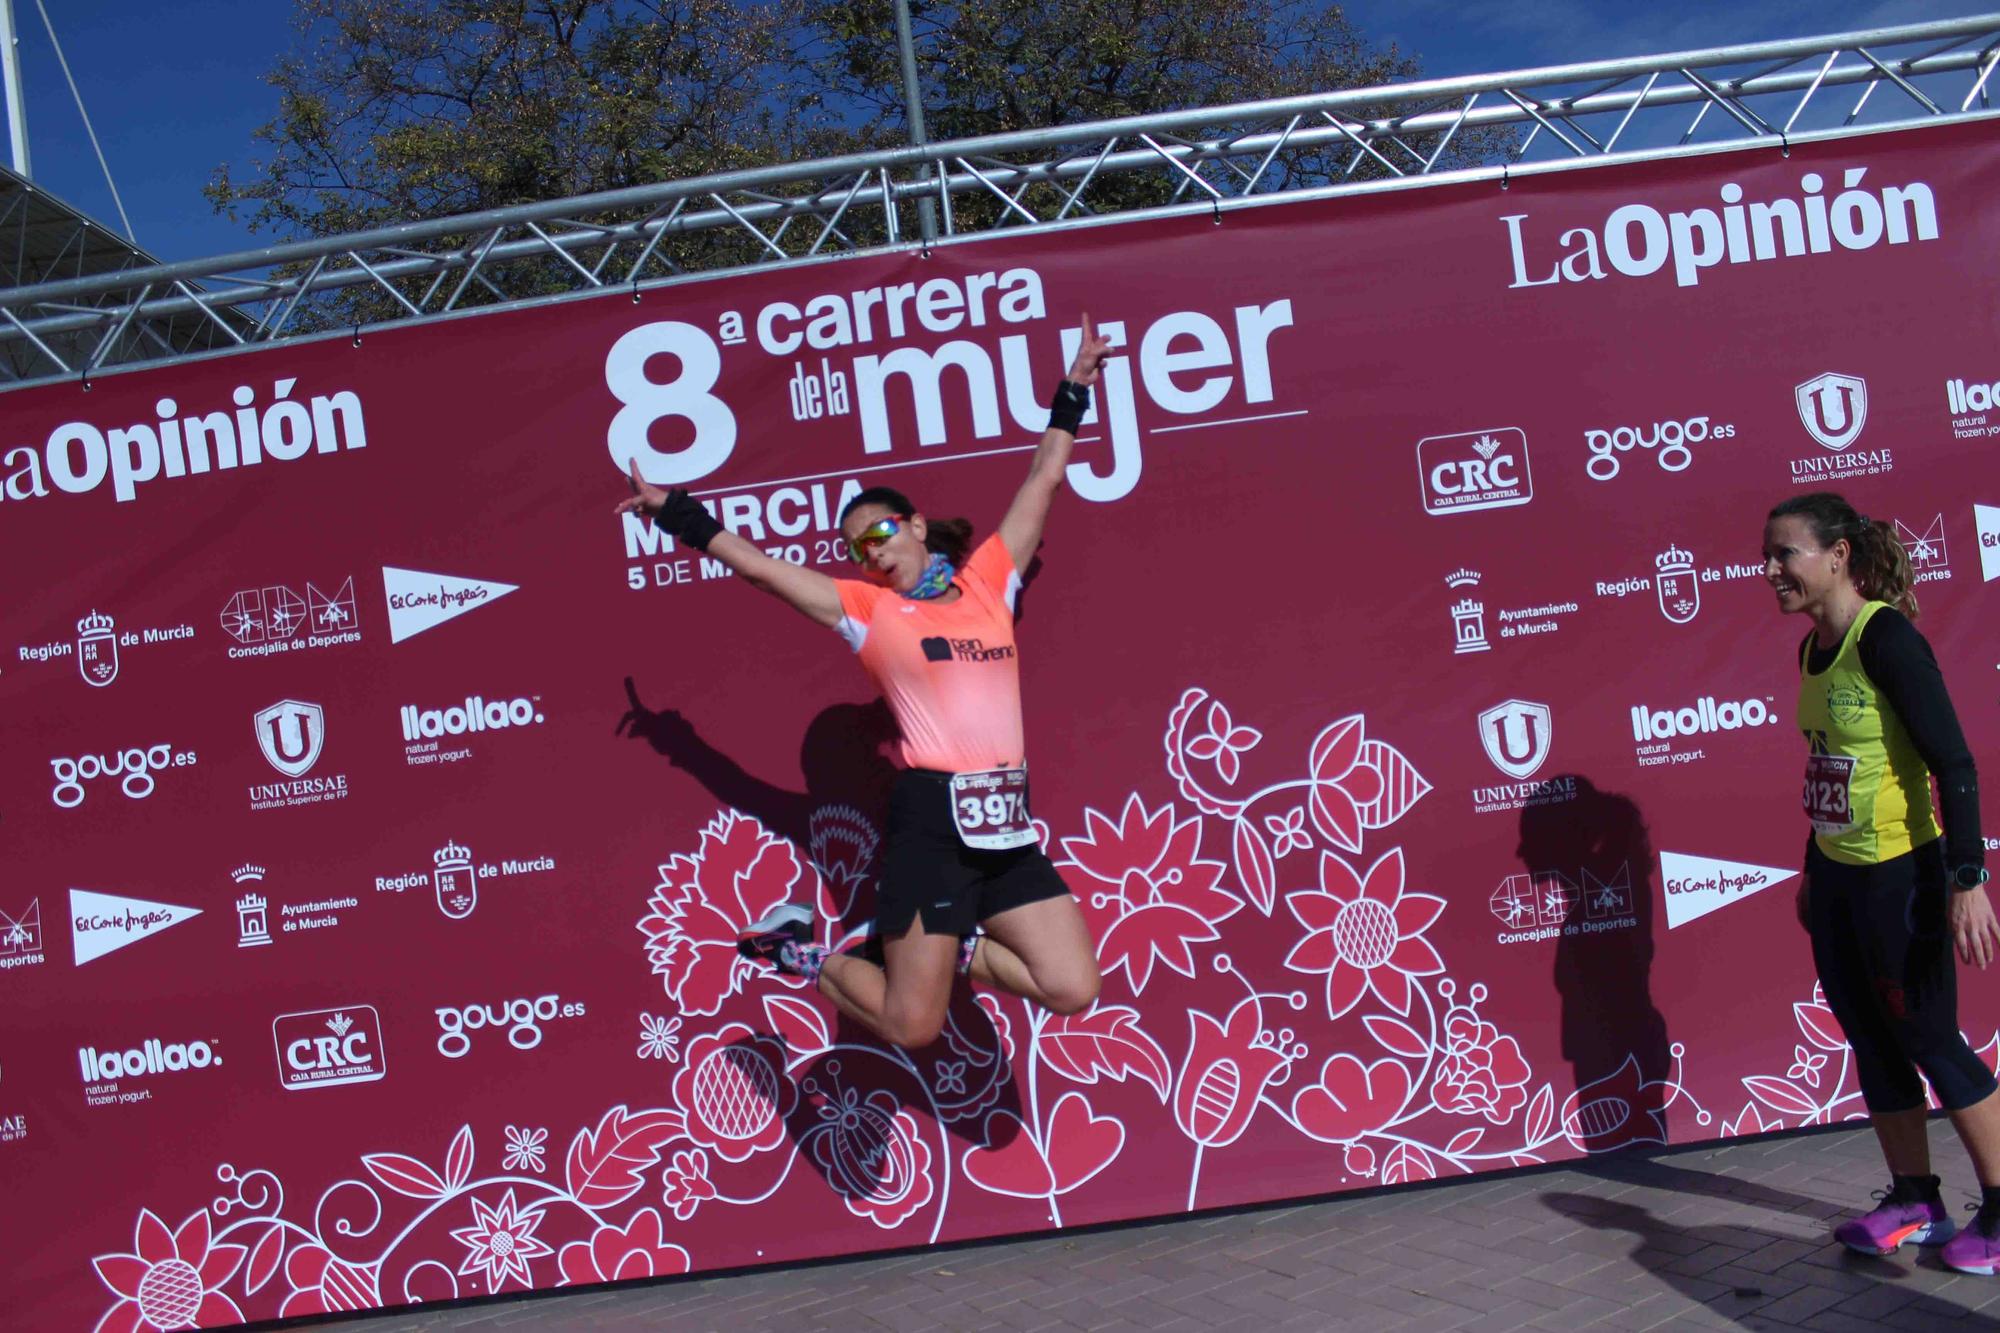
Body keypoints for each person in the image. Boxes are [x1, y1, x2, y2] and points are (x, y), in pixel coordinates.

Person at [616, 319, 1112, 1050]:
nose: (870, 555)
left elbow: (1044, 476)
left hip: (1006, 822)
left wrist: (1074, 388)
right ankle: (805, 954)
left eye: (879, 536)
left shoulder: (988, 583)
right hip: (933, 826)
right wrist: (679, 515)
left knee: (1072, 984)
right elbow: (760, 569)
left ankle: (961, 949)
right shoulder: (870, 609)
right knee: (914, 1026)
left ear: (914, 526)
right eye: (856, 550)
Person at [1763, 491, 1999, 1274]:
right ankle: (1913, 1198)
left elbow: (1955, 763)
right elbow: (1832, 767)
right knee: (1871, 1037)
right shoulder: (1810, 651)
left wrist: (1968, 877)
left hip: (1906, 874)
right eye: (1769, 555)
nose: (1771, 570)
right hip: (1839, 880)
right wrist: (1813, 867)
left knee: (1930, 1037)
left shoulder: (1885, 636)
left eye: (1785, 554)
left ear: (1838, 557)